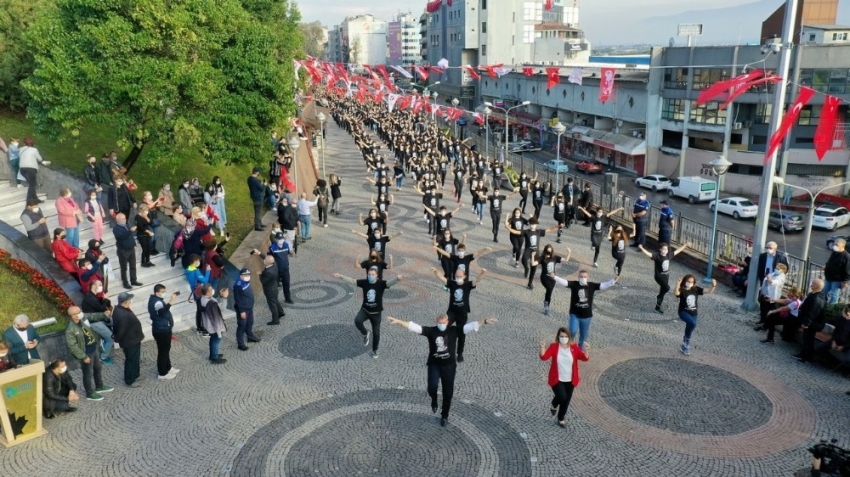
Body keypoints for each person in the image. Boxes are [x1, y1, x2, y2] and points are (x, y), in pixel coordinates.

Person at [386, 314, 497, 427]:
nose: (441, 325)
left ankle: (445, 415)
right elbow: (414, 327)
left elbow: (471, 326)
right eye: (439, 323)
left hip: (449, 366)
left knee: (448, 393)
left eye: (443, 323)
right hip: (434, 365)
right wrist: (398, 321)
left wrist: (485, 321)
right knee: (431, 387)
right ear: (436, 322)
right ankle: (434, 400)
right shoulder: (431, 331)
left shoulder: (454, 330)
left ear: (447, 322)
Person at [333, 269, 402, 359]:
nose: (370, 276)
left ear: (377, 276)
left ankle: (375, 349)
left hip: (376, 313)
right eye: (369, 274)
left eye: (372, 274)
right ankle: (365, 333)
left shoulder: (381, 284)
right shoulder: (365, 282)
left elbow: (389, 283)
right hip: (365, 310)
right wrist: (342, 276)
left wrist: (397, 279)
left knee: (376, 332)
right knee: (357, 321)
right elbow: (353, 281)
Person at [429, 267, 488, 362]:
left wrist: (482, 273)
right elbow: (441, 278)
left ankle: (459, 353)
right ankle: (442, 350)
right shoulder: (452, 284)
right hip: (451, 312)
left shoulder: (467, 285)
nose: (458, 277)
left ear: (464, 276)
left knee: (462, 333)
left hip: (462, 314)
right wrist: (435, 271)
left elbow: (477, 280)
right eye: (457, 276)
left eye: (460, 276)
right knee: (443, 328)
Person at [554, 270, 618, 350]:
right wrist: (554, 277)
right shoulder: (574, 284)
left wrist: (614, 280)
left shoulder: (591, 286)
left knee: (583, 335)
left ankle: (580, 350)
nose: (583, 278)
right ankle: (569, 345)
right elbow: (564, 282)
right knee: (572, 331)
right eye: (581, 277)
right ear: (578, 277)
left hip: (586, 316)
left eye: (584, 277)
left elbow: (603, 285)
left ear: (587, 277)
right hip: (575, 314)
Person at [539, 328, 589, 427]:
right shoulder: (554, 347)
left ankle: (561, 418)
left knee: (566, 401)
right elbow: (544, 357)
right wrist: (542, 347)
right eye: (562, 336)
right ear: (558, 337)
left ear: (569, 338)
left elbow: (584, 358)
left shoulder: (573, 347)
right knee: (562, 396)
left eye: (566, 336)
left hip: (570, 379)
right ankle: (554, 404)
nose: (564, 338)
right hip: (557, 378)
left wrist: (587, 349)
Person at [64, 306, 114, 401]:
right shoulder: (70, 329)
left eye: (80, 311)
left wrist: (103, 314)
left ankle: (99, 386)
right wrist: (83, 357)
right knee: (88, 373)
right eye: (78, 312)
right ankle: (89, 392)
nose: (81, 313)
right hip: (85, 353)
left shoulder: (81, 318)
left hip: (93, 348)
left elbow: (92, 315)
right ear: (73, 316)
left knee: (98, 367)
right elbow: (73, 346)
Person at [637, 242, 689, 314]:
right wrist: (642, 248)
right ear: (660, 249)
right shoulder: (657, 256)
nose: (665, 250)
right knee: (667, 288)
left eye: (666, 249)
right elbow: (649, 254)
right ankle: (659, 296)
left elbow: (678, 251)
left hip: (666, 277)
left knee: (662, 292)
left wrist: (685, 245)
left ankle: (657, 307)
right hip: (659, 276)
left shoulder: (668, 256)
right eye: (663, 249)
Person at [674, 274, 717, 356]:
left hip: (694, 313)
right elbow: (676, 293)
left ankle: (685, 343)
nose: (690, 283)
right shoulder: (682, 289)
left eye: (691, 282)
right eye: (688, 281)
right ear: (685, 281)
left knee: (690, 326)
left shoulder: (696, 289)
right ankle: (687, 342)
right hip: (683, 312)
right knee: (692, 323)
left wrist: (713, 285)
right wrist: (677, 284)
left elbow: (708, 291)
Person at [112, 292, 144, 387]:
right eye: (129, 299)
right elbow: (122, 330)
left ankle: (135, 374)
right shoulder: (123, 315)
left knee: (135, 358)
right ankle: (129, 379)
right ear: (126, 301)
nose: (131, 301)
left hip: (134, 338)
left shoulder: (120, 309)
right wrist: (118, 339)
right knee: (131, 360)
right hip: (130, 341)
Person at [148, 285, 181, 380]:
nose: (164, 293)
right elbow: (161, 312)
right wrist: (170, 302)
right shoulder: (157, 302)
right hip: (162, 330)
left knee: (166, 349)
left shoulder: (155, 299)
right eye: (163, 291)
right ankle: (162, 373)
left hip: (163, 328)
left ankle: (168, 367)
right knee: (163, 351)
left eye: (165, 291)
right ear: (157, 292)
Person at [754, 242, 789, 328]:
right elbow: (760, 268)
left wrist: (773, 277)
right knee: (762, 301)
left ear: (775, 249)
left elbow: (785, 269)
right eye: (767, 247)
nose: (768, 249)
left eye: (770, 248)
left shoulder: (780, 257)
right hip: (765, 280)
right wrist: (763, 278)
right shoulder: (763, 256)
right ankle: (762, 318)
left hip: (774, 285)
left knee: (771, 305)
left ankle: (768, 323)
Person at [81, 279, 115, 364]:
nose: (101, 287)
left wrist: (104, 300)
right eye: (100, 285)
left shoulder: (93, 296)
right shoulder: (90, 298)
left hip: (100, 319)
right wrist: (105, 299)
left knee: (117, 322)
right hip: (95, 322)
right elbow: (101, 308)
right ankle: (103, 357)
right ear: (94, 286)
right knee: (110, 338)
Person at [795, 279, 828, 363]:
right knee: (806, 338)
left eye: (813, 283)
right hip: (809, 321)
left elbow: (813, 312)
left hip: (813, 323)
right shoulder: (813, 294)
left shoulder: (817, 298)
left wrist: (806, 323)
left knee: (809, 339)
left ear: (816, 286)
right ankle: (803, 354)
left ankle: (808, 357)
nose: (811, 284)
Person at [200, 284, 229, 364]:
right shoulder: (210, 304)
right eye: (211, 289)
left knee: (213, 339)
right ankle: (214, 357)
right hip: (213, 326)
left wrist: (220, 296)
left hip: (208, 324)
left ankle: (213, 354)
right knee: (216, 339)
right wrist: (225, 297)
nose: (213, 290)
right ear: (208, 292)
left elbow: (215, 301)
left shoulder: (204, 298)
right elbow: (221, 309)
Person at [539, 245, 572, 316]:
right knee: (549, 289)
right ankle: (546, 306)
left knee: (549, 292)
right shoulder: (542, 258)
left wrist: (569, 252)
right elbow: (534, 263)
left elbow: (566, 260)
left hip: (553, 278)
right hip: (544, 277)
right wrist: (532, 256)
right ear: (545, 251)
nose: (549, 253)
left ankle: (546, 305)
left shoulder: (554, 257)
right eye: (547, 251)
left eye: (550, 252)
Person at [113, 213, 142, 289]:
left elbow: (131, 237)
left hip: (131, 249)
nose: (124, 220)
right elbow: (122, 236)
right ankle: (125, 282)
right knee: (124, 268)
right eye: (122, 219)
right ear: (118, 219)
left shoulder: (126, 225)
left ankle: (133, 280)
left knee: (133, 265)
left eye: (125, 218)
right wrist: (130, 231)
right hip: (123, 250)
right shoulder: (116, 228)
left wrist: (134, 244)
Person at [233, 268, 260, 351]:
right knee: (242, 326)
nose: (247, 276)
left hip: (249, 307)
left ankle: (250, 337)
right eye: (245, 275)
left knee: (249, 323)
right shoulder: (238, 285)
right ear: (241, 275)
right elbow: (238, 299)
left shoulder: (246, 282)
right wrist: (241, 311)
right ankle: (240, 344)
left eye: (248, 275)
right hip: (243, 309)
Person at [18, 137, 51, 203]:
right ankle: (29, 200)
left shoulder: (20, 149)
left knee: (32, 184)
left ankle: (35, 198)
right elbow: (39, 159)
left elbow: (20, 156)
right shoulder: (34, 150)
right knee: (32, 184)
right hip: (31, 169)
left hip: (22, 169)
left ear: (24, 143)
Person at [258, 253, 285, 326]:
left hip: (270, 290)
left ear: (267, 262)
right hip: (274, 287)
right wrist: (259, 253)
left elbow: (263, 281)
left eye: (265, 260)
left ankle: (275, 320)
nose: (264, 260)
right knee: (275, 301)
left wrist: (260, 274)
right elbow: (268, 259)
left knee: (272, 305)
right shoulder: (274, 264)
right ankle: (281, 312)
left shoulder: (269, 272)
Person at [267, 234, 293, 304]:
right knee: (274, 286)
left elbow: (287, 253)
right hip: (277, 270)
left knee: (286, 284)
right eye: (279, 239)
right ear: (276, 239)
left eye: (282, 239)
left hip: (285, 269)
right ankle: (274, 300)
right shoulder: (272, 248)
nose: (281, 240)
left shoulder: (286, 245)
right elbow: (269, 258)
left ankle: (287, 298)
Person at [823, 238, 850, 305]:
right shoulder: (834, 252)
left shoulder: (846, 257)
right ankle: (823, 304)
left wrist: (845, 282)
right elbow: (830, 261)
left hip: (837, 280)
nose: (834, 246)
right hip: (829, 277)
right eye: (834, 244)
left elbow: (847, 270)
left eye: (837, 245)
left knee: (834, 295)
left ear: (843, 246)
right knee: (824, 292)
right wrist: (826, 266)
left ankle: (831, 308)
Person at [248, 167, 266, 231]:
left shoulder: (249, 179)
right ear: (257, 172)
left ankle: (259, 222)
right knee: (258, 212)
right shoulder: (255, 180)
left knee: (258, 211)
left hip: (253, 196)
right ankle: (257, 225)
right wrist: (264, 185)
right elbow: (261, 189)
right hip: (258, 197)